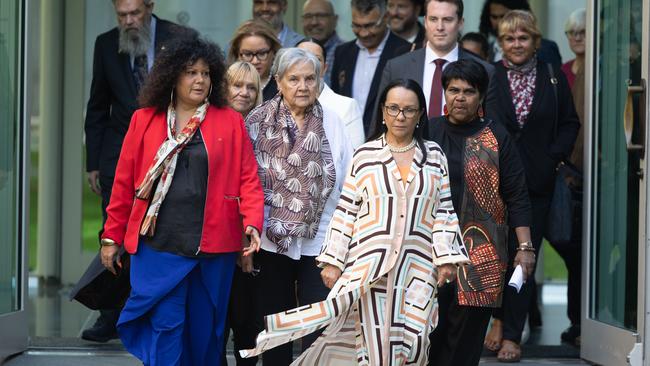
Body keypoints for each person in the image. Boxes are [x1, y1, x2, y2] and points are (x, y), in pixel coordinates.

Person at [242, 78, 469, 365]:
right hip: (370, 266)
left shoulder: (434, 155)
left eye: (409, 110)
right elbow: (346, 209)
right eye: (394, 108)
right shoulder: (365, 155)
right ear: (383, 113)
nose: (401, 116)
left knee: (416, 339)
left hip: (418, 266)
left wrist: (446, 257)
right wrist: (334, 261)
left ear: (420, 114)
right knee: (374, 343)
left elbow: (444, 209)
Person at [99, 35, 265, 365]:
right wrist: (110, 237)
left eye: (205, 73)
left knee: (205, 335)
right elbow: (124, 184)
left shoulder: (229, 121)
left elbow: (248, 179)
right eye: (191, 72)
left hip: (212, 249)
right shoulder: (144, 119)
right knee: (166, 327)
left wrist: (251, 224)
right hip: (158, 247)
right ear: (173, 76)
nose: (200, 80)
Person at [74, 0, 179, 343]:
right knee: (113, 232)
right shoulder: (106, 44)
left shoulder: (176, 38)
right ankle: (110, 316)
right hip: (119, 156)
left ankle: (153, 311)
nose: (130, 21)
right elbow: (97, 104)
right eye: (122, 15)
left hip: (170, 152)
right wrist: (94, 161)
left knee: (161, 233)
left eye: (135, 13)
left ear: (150, 6)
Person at [243, 47, 353, 365]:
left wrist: (343, 242)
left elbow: (347, 182)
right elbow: (246, 182)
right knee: (275, 323)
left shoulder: (333, 121)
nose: (302, 86)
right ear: (278, 81)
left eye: (309, 78)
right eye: (293, 79)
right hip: (268, 238)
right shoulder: (257, 120)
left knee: (315, 324)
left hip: (320, 237)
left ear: (319, 81)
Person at [484, 10, 580, 362]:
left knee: (523, 261)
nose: (516, 44)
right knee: (495, 258)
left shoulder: (552, 76)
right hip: (495, 185)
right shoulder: (491, 75)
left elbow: (571, 123)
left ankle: (512, 334)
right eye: (509, 38)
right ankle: (496, 319)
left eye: (523, 37)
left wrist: (552, 157)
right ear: (502, 42)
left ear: (535, 40)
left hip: (537, 185)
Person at [425, 59, 534, 366]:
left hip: (481, 256)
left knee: (466, 342)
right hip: (431, 250)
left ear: (481, 96)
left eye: (469, 91)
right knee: (430, 333)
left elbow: (517, 195)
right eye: (453, 90)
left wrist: (525, 248)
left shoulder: (495, 135)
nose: (460, 97)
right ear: (444, 93)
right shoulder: (429, 130)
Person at [377, 0, 494, 122]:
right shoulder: (396, 67)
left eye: (447, 19)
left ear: (460, 23)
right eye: (433, 19)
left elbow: (492, 128)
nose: (439, 27)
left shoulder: (485, 70)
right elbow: (380, 120)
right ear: (425, 22)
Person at [222, 61, 264, 366]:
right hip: (219, 239)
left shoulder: (265, 128)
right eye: (237, 85)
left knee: (247, 326)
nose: (244, 92)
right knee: (216, 326)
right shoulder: (211, 124)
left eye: (251, 87)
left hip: (253, 238)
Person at [330, 0, 411, 133]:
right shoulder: (342, 53)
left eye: (370, 26)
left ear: (386, 18)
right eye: (357, 26)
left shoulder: (404, 51)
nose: (364, 33)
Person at [557, 7, 586, 347]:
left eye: (582, 32)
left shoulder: (605, 68)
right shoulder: (562, 71)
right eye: (571, 33)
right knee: (570, 245)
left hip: (600, 172)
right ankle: (577, 321)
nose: (576, 38)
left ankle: (582, 322)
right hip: (567, 170)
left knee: (583, 251)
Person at [298, 39, 365, 148]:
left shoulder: (346, 107)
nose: (308, 63)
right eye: (301, 57)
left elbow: (354, 157)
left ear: (324, 68)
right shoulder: (277, 106)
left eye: (316, 59)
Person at [478, 0, 562, 69]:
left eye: (504, 16)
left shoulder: (547, 48)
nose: (499, 22)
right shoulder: (486, 49)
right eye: (494, 17)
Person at [228, 19, 282, 101]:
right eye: (247, 54)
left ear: (274, 52)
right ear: (237, 54)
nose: (255, 61)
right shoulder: (224, 85)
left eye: (262, 53)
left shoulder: (283, 87)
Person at [302, 0, 344, 86]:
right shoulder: (294, 51)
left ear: (335, 20)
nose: (314, 22)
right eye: (308, 16)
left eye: (321, 16)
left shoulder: (347, 52)